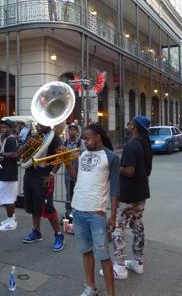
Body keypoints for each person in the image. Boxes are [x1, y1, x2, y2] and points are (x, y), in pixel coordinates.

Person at [69, 124, 120, 296]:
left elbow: (115, 189)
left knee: (103, 255)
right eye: (83, 138)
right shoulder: (83, 154)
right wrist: (67, 163)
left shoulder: (111, 157)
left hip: (96, 212)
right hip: (77, 209)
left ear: (98, 136)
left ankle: (112, 293)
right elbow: (77, 178)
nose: (84, 141)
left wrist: (112, 215)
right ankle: (91, 287)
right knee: (86, 251)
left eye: (87, 138)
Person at [106, 116, 153, 279]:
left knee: (119, 227)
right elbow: (146, 171)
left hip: (127, 195)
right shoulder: (145, 144)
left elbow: (129, 171)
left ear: (133, 126)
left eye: (129, 124)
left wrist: (116, 167)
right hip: (141, 194)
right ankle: (138, 262)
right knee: (137, 225)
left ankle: (119, 267)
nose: (128, 126)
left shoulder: (131, 145)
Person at [18, 123, 65, 252]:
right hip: (30, 174)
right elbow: (19, 154)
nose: (38, 125)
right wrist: (28, 144)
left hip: (44, 176)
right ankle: (36, 231)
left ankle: (58, 235)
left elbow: (60, 157)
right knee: (33, 204)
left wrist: (51, 174)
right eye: (38, 123)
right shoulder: (32, 135)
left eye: (42, 123)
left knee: (47, 207)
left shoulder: (54, 137)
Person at [0, 119, 19, 231]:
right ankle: (11, 218)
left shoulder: (10, 139)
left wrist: (1, 154)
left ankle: (11, 221)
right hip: (7, 172)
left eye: (5, 127)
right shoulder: (8, 139)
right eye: (1, 127)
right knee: (7, 197)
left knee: (8, 198)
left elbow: (15, 154)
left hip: (9, 173)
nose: (2, 129)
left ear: (10, 129)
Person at [63, 123, 84, 219]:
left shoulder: (81, 142)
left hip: (79, 173)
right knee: (69, 193)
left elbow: (84, 155)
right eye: (70, 129)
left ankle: (77, 211)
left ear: (77, 132)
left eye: (73, 130)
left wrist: (77, 154)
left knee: (78, 192)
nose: (72, 131)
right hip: (68, 174)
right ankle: (68, 212)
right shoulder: (65, 143)